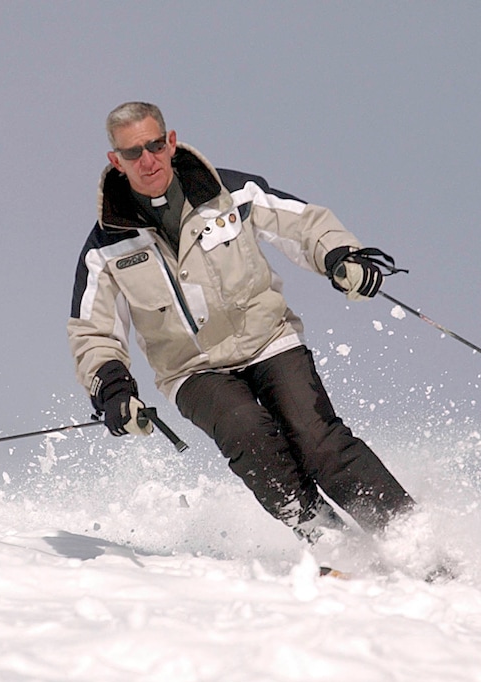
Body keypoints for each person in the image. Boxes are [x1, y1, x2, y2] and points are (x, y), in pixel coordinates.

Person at [68, 101, 415, 542]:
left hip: (269, 341)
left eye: (155, 145)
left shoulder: (231, 193)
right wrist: (114, 390)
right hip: (193, 370)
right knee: (248, 434)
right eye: (133, 153)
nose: (148, 159)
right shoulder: (106, 247)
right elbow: (93, 331)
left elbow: (303, 225)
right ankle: (328, 541)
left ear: (171, 142)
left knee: (318, 441)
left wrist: (340, 256)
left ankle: (411, 539)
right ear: (116, 161)